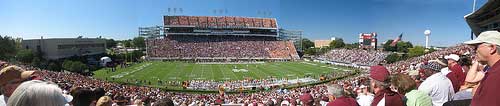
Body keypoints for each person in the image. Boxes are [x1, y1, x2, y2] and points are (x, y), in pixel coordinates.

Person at [464, 30, 500, 106]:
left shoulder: (496, 76)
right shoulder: (494, 69)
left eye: (476, 47)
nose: (474, 51)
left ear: (492, 48)